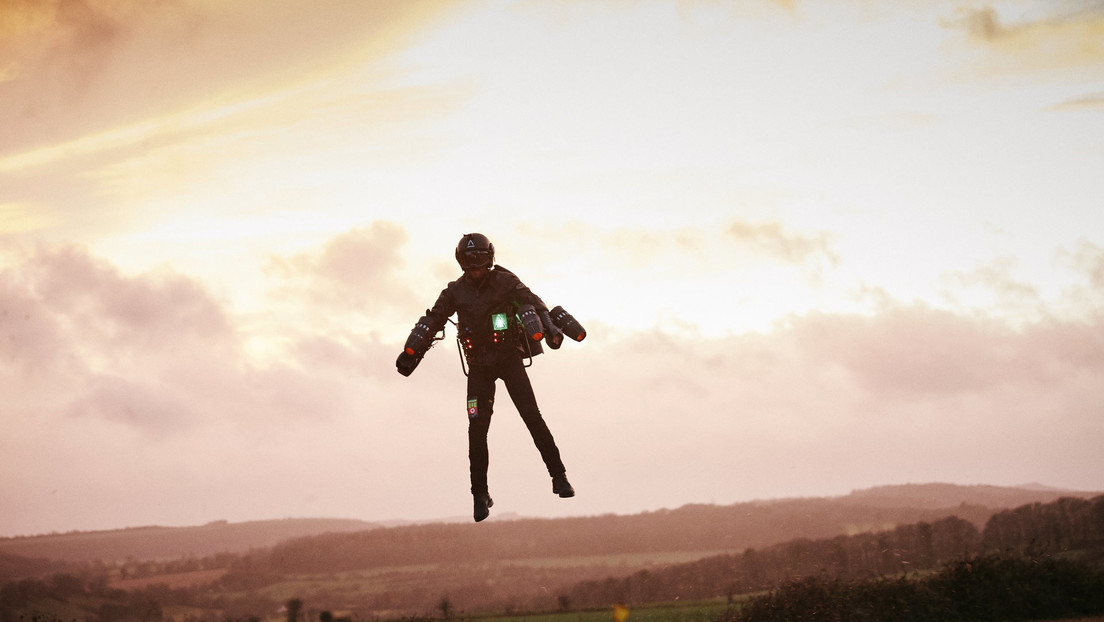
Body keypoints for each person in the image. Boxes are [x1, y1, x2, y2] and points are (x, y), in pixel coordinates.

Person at [396, 233, 580, 522]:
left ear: (489, 258)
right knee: (477, 429)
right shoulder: (454, 291)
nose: (475, 267)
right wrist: (412, 351)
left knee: (532, 416)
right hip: (479, 367)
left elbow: (533, 302)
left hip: (508, 359)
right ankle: (479, 495)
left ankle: (559, 477)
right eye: (469, 262)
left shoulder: (505, 282)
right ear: (461, 262)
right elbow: (433, 319)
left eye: (479, 260)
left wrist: (549, 327)